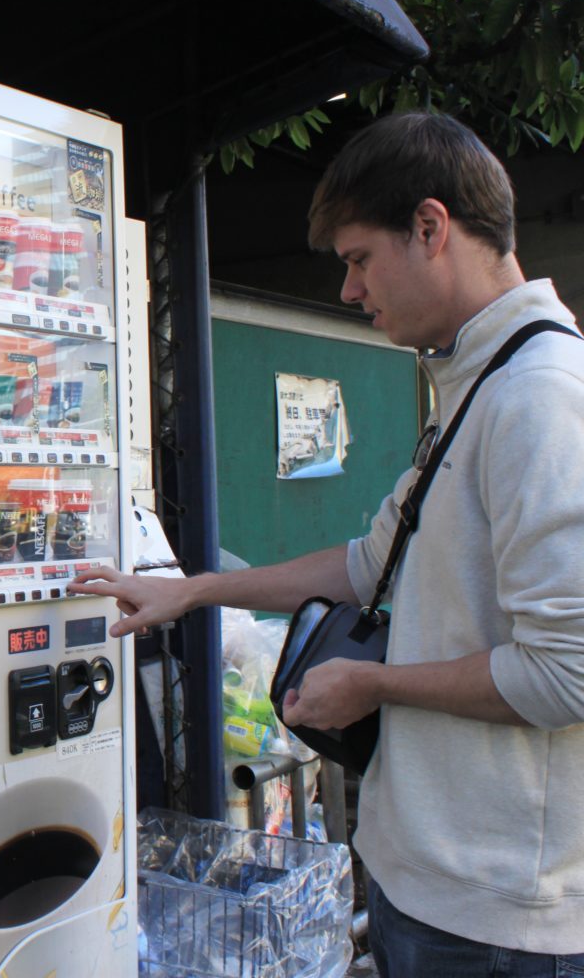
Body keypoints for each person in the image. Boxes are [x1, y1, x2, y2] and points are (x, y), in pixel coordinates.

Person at [68, 112, 584, 977]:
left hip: (496, 920)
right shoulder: (475, 382)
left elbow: (568, 670)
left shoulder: (538, 398)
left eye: (357, 259)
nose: (349, 291)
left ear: (430, 228)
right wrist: (191, 592)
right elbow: (364, 565)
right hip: (429, 883)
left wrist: (372, 685)